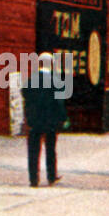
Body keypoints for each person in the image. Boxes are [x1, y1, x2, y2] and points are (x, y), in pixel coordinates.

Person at [22, 53, 67, 187]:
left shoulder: (31, 80)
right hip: (51, 120)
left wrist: (28, 117)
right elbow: (59, 102)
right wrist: (62, 118)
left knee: (33, 150)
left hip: (34, 120)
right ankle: (51, 176)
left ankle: (33, 179)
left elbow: (25, 96)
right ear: (51, 64)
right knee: (50, 148)